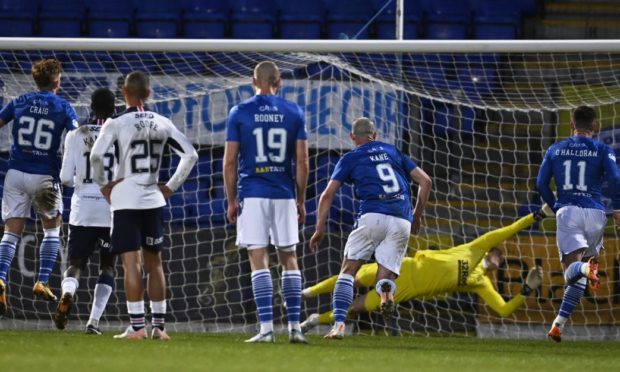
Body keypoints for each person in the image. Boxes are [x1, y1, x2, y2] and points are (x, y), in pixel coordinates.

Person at [301, 212, 547, 332]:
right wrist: (537, 215)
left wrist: (526, 290)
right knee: (351, 277)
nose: (498, 258)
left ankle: (313, 321)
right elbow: (510, 229)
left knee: (354, 307)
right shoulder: (474, 248)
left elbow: (504, 309)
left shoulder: (479, 282)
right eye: (497, 254)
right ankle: (309, 291)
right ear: (490, 252)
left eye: (500, 259)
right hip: (402, 266)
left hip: (406, 290)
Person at [90, 71, 198, 340]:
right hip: (153, 198)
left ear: (123, 92)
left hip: (125, 198)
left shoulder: (115, 123)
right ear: (148, 94)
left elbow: (95, 156)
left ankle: (138, 327)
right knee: (155, 263)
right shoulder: (162, 122)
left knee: (131, 265)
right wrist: (170, 187)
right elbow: (191, 155)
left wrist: (105, 185)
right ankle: (159, 328)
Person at [309, 117, 432, 339]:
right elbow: (426, 181)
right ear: (374, 135)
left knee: (347, 272)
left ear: (352, 137)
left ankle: (338, 325)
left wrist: (319, 228)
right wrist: (417, 216)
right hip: (402, 219)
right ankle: (386, 294)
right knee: (384, 278)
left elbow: (327, 195)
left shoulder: (350, 158)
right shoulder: (392, 151)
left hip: (372, 215)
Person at [224, 61, 309, 344]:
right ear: (279, 81)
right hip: (284, 193)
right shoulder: (294, 111)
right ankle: (295, 328)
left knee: (258, 260)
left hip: (253, 192)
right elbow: (303, 162)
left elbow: (229, 162)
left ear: (253, 81)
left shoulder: (240, 112)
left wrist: (232, 200)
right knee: (289, 259)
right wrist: (300, 199)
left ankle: (267, 329)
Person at [0, 59, 78, 316]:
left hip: (15, 173)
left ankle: (0, 278)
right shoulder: (64, 107)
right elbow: (75, 139)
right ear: (57, 81)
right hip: (44, 176)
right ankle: (42, 281)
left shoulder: (19, 101)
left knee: (11, 232)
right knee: (52, 231)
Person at [536, 105, 620, 342]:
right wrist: (617, 208)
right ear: (595, 127)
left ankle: (585, 268)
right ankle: (558, 325)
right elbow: (615, 178)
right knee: (579, 278)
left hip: (569, 210)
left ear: (572, 125)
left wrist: (555, 207)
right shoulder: (603, 149)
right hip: (596, 214)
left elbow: (541, 184)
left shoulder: (555, 149)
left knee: (573, 272)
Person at [54, 88, 117, 334]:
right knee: (108, 266)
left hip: (82, 209)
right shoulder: (119, 135)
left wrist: (82, 181)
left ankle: (68, 293)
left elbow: (64, 178)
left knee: (76, 263)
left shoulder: (76, 134)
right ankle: (93, 322)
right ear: (114, 109)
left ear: (91, 107)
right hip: (110, 208)